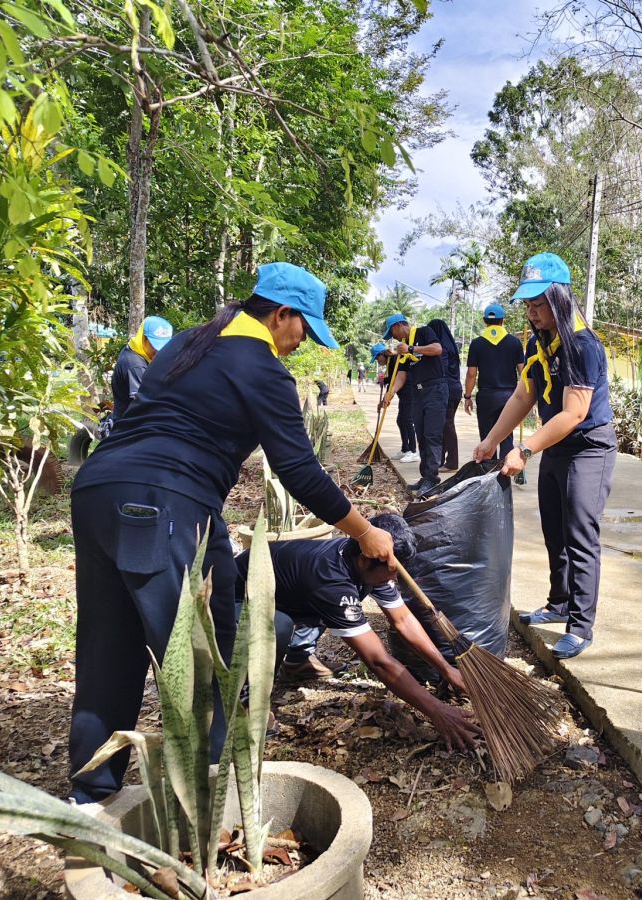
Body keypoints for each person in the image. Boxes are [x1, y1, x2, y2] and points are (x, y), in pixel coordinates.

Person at [67, 262, 396, 803]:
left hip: (98, 490)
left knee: (109, 644)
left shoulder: (188, 343)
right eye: (303, 328)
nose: (301, 342)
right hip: (165, 502)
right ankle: (213, 798)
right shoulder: (262, 367)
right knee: (210, 650)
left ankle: (90, 796)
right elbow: (299, 470)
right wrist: (363, 532)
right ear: (281, 314)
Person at [473, 253, 616, 660]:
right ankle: (559, 602)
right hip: (557, 445)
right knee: (555, 528)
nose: (532, 313)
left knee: (580, 533)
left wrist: (525, 448)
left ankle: (581, 626)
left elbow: (574, 413)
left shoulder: (582, 345)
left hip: (588, 447)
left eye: (539, 304)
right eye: (528, 305)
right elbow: (524, 395)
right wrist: (492, 440)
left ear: (560, 298)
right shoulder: (539, 342)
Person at [234, 515, 479, 751]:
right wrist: (437, 711)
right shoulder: (331, 581)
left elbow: (403, 620)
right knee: (280, 626)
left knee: (337, 610)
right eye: (391, 571)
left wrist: (445, 669)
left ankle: (298, 662)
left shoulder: (369, 562)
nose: (394, 577)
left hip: (289, 595)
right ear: (364, 560)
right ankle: (247, 703)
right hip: (234, 601)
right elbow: (378, 661)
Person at [380, 313, 447, 496]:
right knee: (421, 435)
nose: (394, 337)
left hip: (435, 389)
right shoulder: (402, 349)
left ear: (398, 326)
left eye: (392, 333)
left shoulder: (424, 332)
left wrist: (411, 348)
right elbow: (401, 375)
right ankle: (425, 476)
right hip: (418, 393)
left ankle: (432, 479)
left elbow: (437, 349)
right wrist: (391, 392)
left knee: (432, 435)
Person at [465, 304, 525, 459]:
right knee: (506, 436)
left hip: (486, 396)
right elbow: (523, 372)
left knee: (487, 438)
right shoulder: (514, 342)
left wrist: (467, 396)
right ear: (502, 320)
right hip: (509, 396)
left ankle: (489, 471)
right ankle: (505, 471)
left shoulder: (476, 344)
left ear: (484, 321)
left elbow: (471, 374)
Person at [110, 316, 173, 420]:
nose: (158, 351)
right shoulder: (135, 365)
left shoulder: (133, 350)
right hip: (130, 424)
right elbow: (143, 405)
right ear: (143, 339)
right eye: (154, 346)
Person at [427, 318, 463, 472]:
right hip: (455, 388)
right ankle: (440, 460)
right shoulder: (451, 346)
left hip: (446, 389)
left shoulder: (442, 349)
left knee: (447, 425)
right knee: (444, 425)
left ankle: (452, 462)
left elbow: (440, 369)